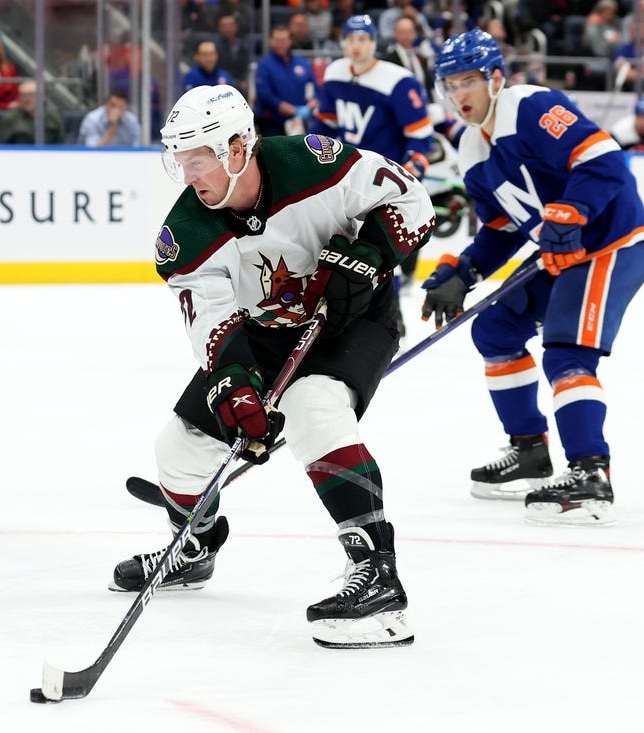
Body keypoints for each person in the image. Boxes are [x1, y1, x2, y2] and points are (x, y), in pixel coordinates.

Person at [113, 85, 434, 649]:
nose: (188, 175)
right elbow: (212, 323)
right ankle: (195, 546)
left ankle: (378, 575)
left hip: (351, 319)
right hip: (263, 333)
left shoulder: (316, 162)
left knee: (314, 406)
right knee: (179, 452)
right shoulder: (185, 234)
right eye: (179, 160)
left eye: (199, 158)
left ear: (239, 147)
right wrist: (235, 385)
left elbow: (412, 200)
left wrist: (373, 255)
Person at [422, 29, 644, 526]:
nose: (459, 95)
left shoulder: (531, 106)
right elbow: (502, 227)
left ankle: (591, 472)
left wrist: (572, 212)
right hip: (560, 253)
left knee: (568, 351)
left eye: (468, 81)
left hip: (612, 242)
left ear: (496, 78)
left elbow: (605, 160)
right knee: (495, 329)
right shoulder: (469, 147)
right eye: (449, 85)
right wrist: (464, 270)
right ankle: (529, 450)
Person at [312, 14, 433, 335]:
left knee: (379, 253)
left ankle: (390, 318)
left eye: (363, 39)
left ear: (373, 43)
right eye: (351, 39)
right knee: (338, 245)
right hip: (347, 176)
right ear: (343, 42)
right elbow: (324, 124)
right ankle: (340, 314)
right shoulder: (335, 73)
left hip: (384, 182)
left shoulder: (397, 80)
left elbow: (421, 136)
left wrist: (412, 170)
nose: (356, 45)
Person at [253, 25, 319, 137]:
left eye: (284, 40)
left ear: (290, 41)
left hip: (301, 123)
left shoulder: (302, 63)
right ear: (271, 41)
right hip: (273, 124)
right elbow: (266, 96)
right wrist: (294, 110)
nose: (281, 44)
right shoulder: (264, 65)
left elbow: (315, 89)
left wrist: (309, 107)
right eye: (277, 40)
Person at [0, 79, 63, 144]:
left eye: (31, 95)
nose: (27, 99)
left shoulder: (53, 115)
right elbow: (1, 147)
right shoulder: (10, 117)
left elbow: (61, 144)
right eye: (23, 95)